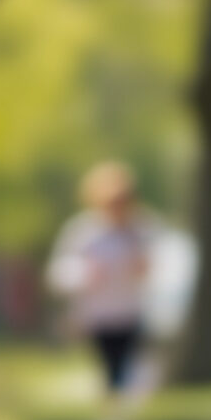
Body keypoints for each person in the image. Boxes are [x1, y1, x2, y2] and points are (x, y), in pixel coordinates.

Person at [48, 161, 155, 397]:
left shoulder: (140, 230)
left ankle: (122, 407)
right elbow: (59, 274)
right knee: (109, 371)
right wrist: (85, 273)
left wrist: (143, 268)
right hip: (97, 316)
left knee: (129, 370)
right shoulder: (82, 231)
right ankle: (112, 408)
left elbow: (154, 266)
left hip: (130, 312)